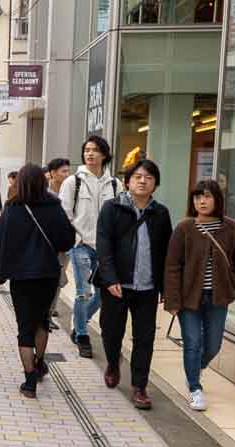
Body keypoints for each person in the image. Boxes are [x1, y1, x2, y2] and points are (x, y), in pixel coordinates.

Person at [0, 164, 75, 398]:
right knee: (41, 322)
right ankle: (39, 362)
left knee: (24, 327)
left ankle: (29, 382)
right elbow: (67, 241)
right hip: (47, 275)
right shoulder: (54, 207)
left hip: (21, 277)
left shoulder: (12, 209)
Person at [164, 180, 235, 411]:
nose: (201, 201)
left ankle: (196, 366)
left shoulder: (232, 228)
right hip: (189, 297)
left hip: (218, 298)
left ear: (217, 200)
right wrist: (172, 300)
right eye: (197, 197)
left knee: (213, 345)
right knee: (192, 342)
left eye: (207, 196)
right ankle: (195, 388)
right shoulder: (184, 228)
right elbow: (172, 266)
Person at [95, 159, 172, 410]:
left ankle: (140, 386)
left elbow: (166, 253)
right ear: (127, 181)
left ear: (155, 184)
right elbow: (103, 246)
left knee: (144, 338)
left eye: (148, 178)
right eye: (138, 176)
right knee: (111, 331)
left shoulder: (160, 214)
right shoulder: (112, 208)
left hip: (147, 287)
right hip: (117, 286)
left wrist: (165, 287)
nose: (142, 181)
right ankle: (113, 363)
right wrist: (110, 279)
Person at [59, 135, 122, 359]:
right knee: (83, 292)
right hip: (81, 245)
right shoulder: (72, 182)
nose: (90, 154)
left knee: (103, 294)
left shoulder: (115, 184)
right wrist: (76, 239)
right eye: (87, 150)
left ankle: (79, 323)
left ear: (104, 154)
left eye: (95, 150)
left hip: (106, 248)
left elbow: (119, 216)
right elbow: (64, 214)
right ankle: (83, 336)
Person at [46, 158, 72, 329]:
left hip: (64, 244)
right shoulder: (45, 194)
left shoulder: (71, 192)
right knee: (49, 279)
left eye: (68, 171)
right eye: (63, 171)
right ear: (53, 173)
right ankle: (44, 313)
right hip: (47, 245)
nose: (67, 174)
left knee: (58, 280)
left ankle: (49, 313)